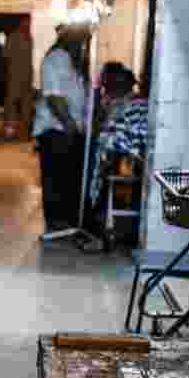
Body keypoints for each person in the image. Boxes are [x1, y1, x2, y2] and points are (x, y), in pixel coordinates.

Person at [33, 24, 92, 233]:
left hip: (70, 128)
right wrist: (69, 126)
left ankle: (68, 221)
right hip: (56, 129)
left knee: (67, 178)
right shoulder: (56, 59)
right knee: (55, 178)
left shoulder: (73, 61)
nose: (85, 46)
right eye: (82, 41)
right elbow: (54, 97)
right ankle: (56, 223)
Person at [87, 63, 149, 245]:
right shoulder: (121, 101)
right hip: (131, 151)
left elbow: (102, 130)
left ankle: (96, 210)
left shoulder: (125, 102)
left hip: (122, 150)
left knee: (100, 153)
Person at [4, 16, 34, 139]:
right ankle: (10, 131)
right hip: (15, 76)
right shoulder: (13, 37)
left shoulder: (30, 38)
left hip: (27, 77)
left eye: (29, 23)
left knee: (26, 105)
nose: (27, 25)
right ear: (21, 23)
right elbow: (6, 56)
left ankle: (25, 132)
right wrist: (8, 74)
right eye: (26, 23)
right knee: (11, 103)